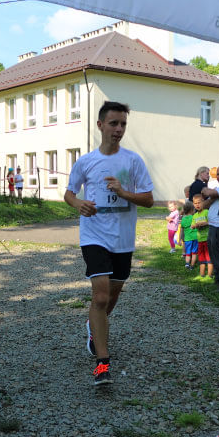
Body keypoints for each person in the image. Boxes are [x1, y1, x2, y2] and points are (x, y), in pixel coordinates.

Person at [64, 101, 154, 386]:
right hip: (94, 235)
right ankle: (103, 363)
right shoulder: (86, 161)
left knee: (112, 296)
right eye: (113, 123)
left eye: (123, 124)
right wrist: (79, 203)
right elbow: (69, 193)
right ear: (100, 125)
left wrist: (123, 192)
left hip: (123, 238)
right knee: (100, 296)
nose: (118, 129)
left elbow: (149, 200)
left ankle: (94, 327)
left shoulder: (133, 161)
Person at [190, 194, 212, 281]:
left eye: (199, 203)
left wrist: (205, 223)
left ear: (203, 202)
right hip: (199, 240)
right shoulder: (194, 216)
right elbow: (191, 226)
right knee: (201, 257)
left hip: (208, 239)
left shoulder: (206, 212)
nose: (197, 205)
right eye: (195, 203)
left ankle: (210, 275)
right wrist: (195, 225)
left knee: (209, 257)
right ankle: (202, 274)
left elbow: (211, 221)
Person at [179, 200, 198, 270]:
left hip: (187, 239)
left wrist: (180, 239)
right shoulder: (194, 217)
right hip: (195, 238)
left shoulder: (183, 219)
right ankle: (192, 265)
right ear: (192, 210)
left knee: (188, 252)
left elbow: (181, 230)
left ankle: (187, 264)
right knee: (194, 252)